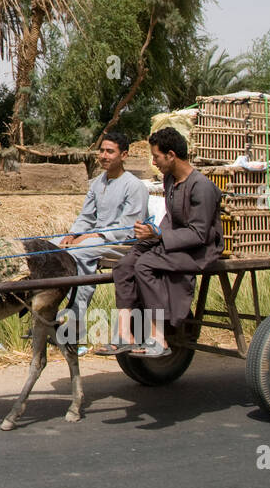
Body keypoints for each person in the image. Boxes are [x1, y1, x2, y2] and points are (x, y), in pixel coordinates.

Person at [101, 126, 223, 358]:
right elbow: (171, 219)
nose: (154, 162)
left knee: (145, 265)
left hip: (199, 249)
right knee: (125, 265)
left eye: (156, 156)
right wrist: (150, 233)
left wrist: (159, 236)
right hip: (173, 241)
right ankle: (126, 335)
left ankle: (159, 338)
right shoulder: (170, 179)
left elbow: (199, 234)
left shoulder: (202, 187)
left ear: (171, 155)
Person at [41, 133, 148, 347]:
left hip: (122, 243)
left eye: (110, 151)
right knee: (51, 246)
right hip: (97, 240)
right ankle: (44, 316)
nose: (104, 155)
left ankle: (74, 324)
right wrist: (72, 234)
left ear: (124, 155)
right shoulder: (97, 183)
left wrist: (94, 236)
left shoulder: (134, 186)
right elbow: (86, 217)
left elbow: (129, 228)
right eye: (102, 151)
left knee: (81, 251)